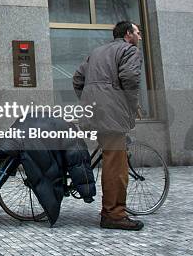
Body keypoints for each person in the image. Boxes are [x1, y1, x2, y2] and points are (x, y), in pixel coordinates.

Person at [73, 21, 144, 231]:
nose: (139, 37)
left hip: (94, 111)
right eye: (138, 33)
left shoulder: (97, 52)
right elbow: (130, 78)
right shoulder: (129, 50)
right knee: (116, 166)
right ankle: (114, 214)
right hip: (112, 114)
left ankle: (108, 210)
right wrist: (132, 105)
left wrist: (89, 98)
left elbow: (78, 79)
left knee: (110, 158)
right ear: (128, 34)